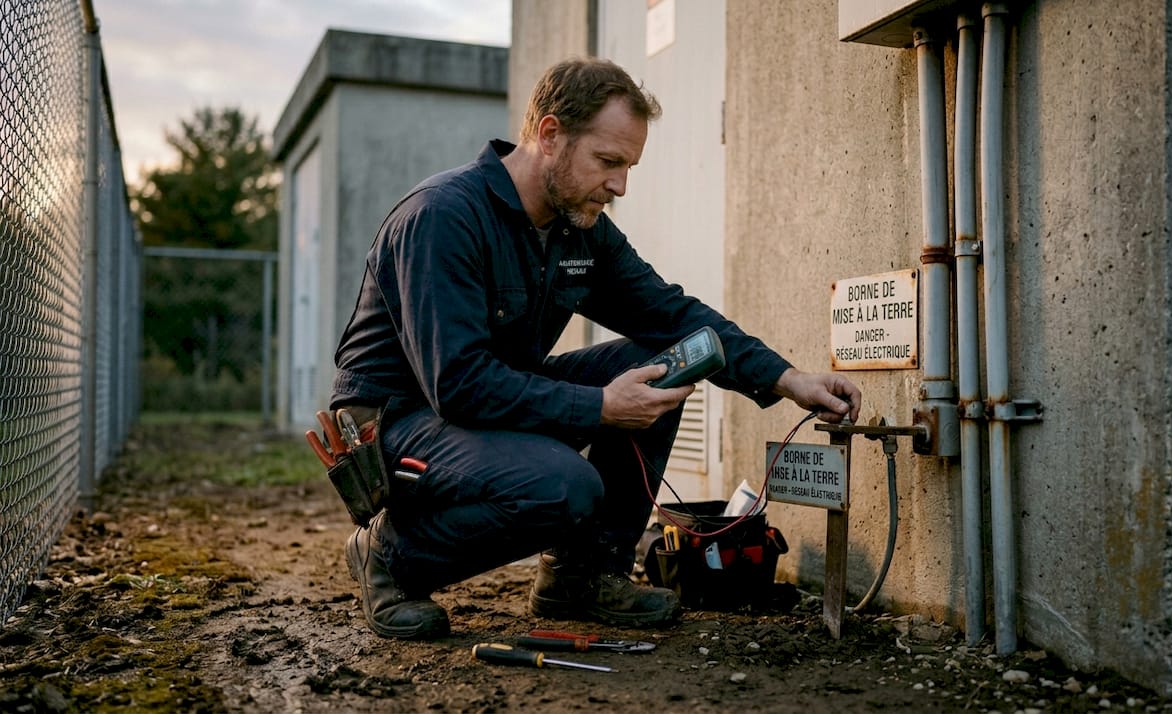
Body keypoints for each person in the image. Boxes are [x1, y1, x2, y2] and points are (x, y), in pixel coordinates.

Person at [331, 57, 862, 640]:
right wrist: (599, 408)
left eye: (629, 166)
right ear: (551, 135)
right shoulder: (444, 217)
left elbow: (675, 316)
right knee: (563, 486)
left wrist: (789, 380)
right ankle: (388, 556)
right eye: (608, 162)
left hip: (481, 394)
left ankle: (579, 576)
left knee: (663, 363)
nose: (619, 186)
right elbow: (457, 384)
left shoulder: (575, 229)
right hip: (396, 419)